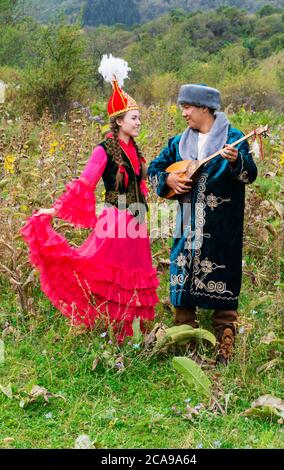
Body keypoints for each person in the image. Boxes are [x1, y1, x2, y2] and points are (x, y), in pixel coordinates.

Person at [20, 55, 159, 342]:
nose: (139, 122)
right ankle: (110, 328)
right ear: (118, 120)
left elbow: (143, 180)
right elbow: (86, 183)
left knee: (134, 275)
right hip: (115, 222)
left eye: (139, 117)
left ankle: (130, 332)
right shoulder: (104, 150)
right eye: (134, 118)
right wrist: (54, 210)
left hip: (137, 224)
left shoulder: (135, 149)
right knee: (108, 275)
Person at [147, 84, 257, 364]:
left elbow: (249, 175)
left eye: (188, 107)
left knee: (223, 279)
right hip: (186, 226)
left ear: (205, 109)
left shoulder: (233, 139)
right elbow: (155, 170)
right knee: (183, 280)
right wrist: (169, 180)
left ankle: (225, 344)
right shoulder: (178, 143)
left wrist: (237, 161)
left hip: (222, 229)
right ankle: (186, 342)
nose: (184, 113)